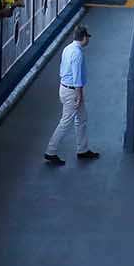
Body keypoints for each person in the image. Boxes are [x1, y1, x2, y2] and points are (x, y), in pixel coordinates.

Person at [42, 27, 96, 167]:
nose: (88, 39)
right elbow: (76, 75)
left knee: (82, 118)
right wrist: (79, 95)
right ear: (83, 37)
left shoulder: (68, 48)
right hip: (72, 92)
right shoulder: (77, 53)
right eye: (87, 37)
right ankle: (51, 151)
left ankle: (82, 149)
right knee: (66, 121)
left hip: (64, 88)